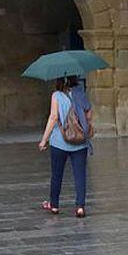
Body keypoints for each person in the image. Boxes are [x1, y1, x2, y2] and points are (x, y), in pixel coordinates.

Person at [39, 76, 93, 218]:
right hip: (80, 142)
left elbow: (53, 117)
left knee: (57, 174)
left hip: (59, 142)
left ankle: (54, 205)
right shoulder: (80, 93)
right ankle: (80, 206)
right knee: (80, 175)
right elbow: (89, 115)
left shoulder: (56, 95)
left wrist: (44, 140)